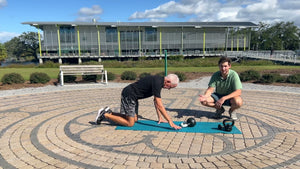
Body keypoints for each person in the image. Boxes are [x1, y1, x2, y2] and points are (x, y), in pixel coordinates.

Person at [95, 74, 182, 130]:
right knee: (130, 123)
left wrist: (160, 118)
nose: (169, 89)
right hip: (129, 95)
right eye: (170, 87)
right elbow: (159, 104)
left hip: (133, 96)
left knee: (135, 119)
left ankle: (110, 112)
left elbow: (156, 101)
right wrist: (170, 122)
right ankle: (104, 115)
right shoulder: (157, 82)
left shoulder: (159, 81)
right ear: (168, 81)